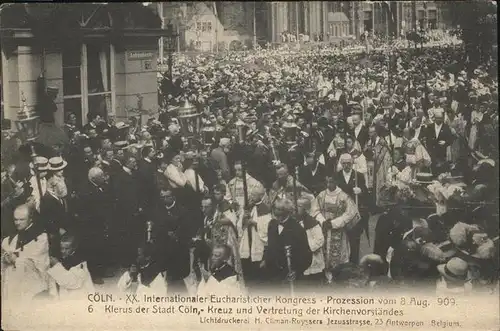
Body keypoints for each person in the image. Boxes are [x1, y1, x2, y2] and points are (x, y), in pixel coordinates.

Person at [311, 175, 360, 282]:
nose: (329, 185)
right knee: (325, 254)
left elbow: (350, 213)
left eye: (331, 182)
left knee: (339, 256)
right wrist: (322, 220)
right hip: (324, 229)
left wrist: (334, 223)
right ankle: (326, 276)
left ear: (336, 181)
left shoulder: (344, 197)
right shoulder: (321, 195)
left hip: (338, 231)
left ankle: (339, 276)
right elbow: (315, 209)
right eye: (327, 182)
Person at [1, 205, 50, 303]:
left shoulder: (41, 237)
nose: (18, 223)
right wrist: (5, 258)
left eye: (22, 220)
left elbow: (38, 263)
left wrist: (15, 259)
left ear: (31, 219)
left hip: (32, 286)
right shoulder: (10, 238)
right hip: (12, 283)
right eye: (16, 220)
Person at [264, 198, 312, 291]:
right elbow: (269, 246)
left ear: (287, 212)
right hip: (272, 275)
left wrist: (296, 271)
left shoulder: (297, 229)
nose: (276, 215)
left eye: (279, 212)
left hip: (289, 277)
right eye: (275, 211)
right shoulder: (272, 225)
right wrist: (265, 259)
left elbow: (307, 256)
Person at [152, 187, 193, 294]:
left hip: (178, 251)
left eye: (167, 196)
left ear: (173, 197)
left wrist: (177, 235)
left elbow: (187, 230)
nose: (165, 199)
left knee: (178, 283)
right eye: (162, 197)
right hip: (163, 249)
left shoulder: (182, 211)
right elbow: (156, 229)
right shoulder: (158, 210)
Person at [79, 167, 113, 283]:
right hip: (92, 226)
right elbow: (88, 211)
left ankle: (102, 270)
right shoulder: (86, 191)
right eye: (101, 176)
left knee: (102, 247)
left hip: (101, 223)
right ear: (94, 179)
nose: (104, 178)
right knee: (93, 250)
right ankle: (94, 274)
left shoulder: (100, 186)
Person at [335, 153, 368, 263]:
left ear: (352, 163)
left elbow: (366, 192)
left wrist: (361, 191)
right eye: (344, 163)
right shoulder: (336, 176)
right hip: (341, 211)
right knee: (342, 239)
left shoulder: (358, 176)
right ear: (341, 164)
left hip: (354, 211)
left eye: (349, 163)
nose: (346, 165)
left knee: (354, 239)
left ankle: (354, 264)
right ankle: (343, 263)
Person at [239, 185, 272, 289]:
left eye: (254, 194)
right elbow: (241, 224)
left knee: (257, 269)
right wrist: (244, 219)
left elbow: (266, 227)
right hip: (248, 238)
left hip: (257, 239)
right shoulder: (249, 207)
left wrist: (253, 223)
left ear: (261, 196)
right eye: (251, 194)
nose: (251, 196)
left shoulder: (264, 209)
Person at [46, 233, 94, 301]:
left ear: (74, 248)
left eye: (66, 249)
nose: (63, 251)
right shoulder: (65, 259)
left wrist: (57, 265)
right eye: (62, 248)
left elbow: (72, 283)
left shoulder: (78, 263)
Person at [296, 198, 325, 285]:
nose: (296, 208)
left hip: (313, 256)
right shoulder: (297, 220)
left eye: (299, 206)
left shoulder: (312, 223)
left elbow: (320, 240)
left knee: (314, 280)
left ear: (305, 208)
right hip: (301, 256)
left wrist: (308, 248)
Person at [364, 125, 392, 209]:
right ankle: (372, 205)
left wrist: (373, 155)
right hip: (370, 166)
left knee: (380, 184)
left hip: (380, 167)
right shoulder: (369, 142)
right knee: (371, 185)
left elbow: (383, 156)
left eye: (371, 132)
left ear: (376, 133)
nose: (369, 134)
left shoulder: (382, 143)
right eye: (369, 132)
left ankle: (380, 205)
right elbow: (365, 151)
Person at [425, 108, 455, 175]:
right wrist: (429, 149)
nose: (439, 120)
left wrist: (445, 142)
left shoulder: (446, 127)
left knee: (441, 168)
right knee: (433, 168)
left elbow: (451, 139)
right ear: (434, 118)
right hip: (432, 151)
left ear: (442, 119)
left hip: (442, 151)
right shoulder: (430, 127)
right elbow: (427, 139)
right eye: (437, 118)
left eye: (440, 118)